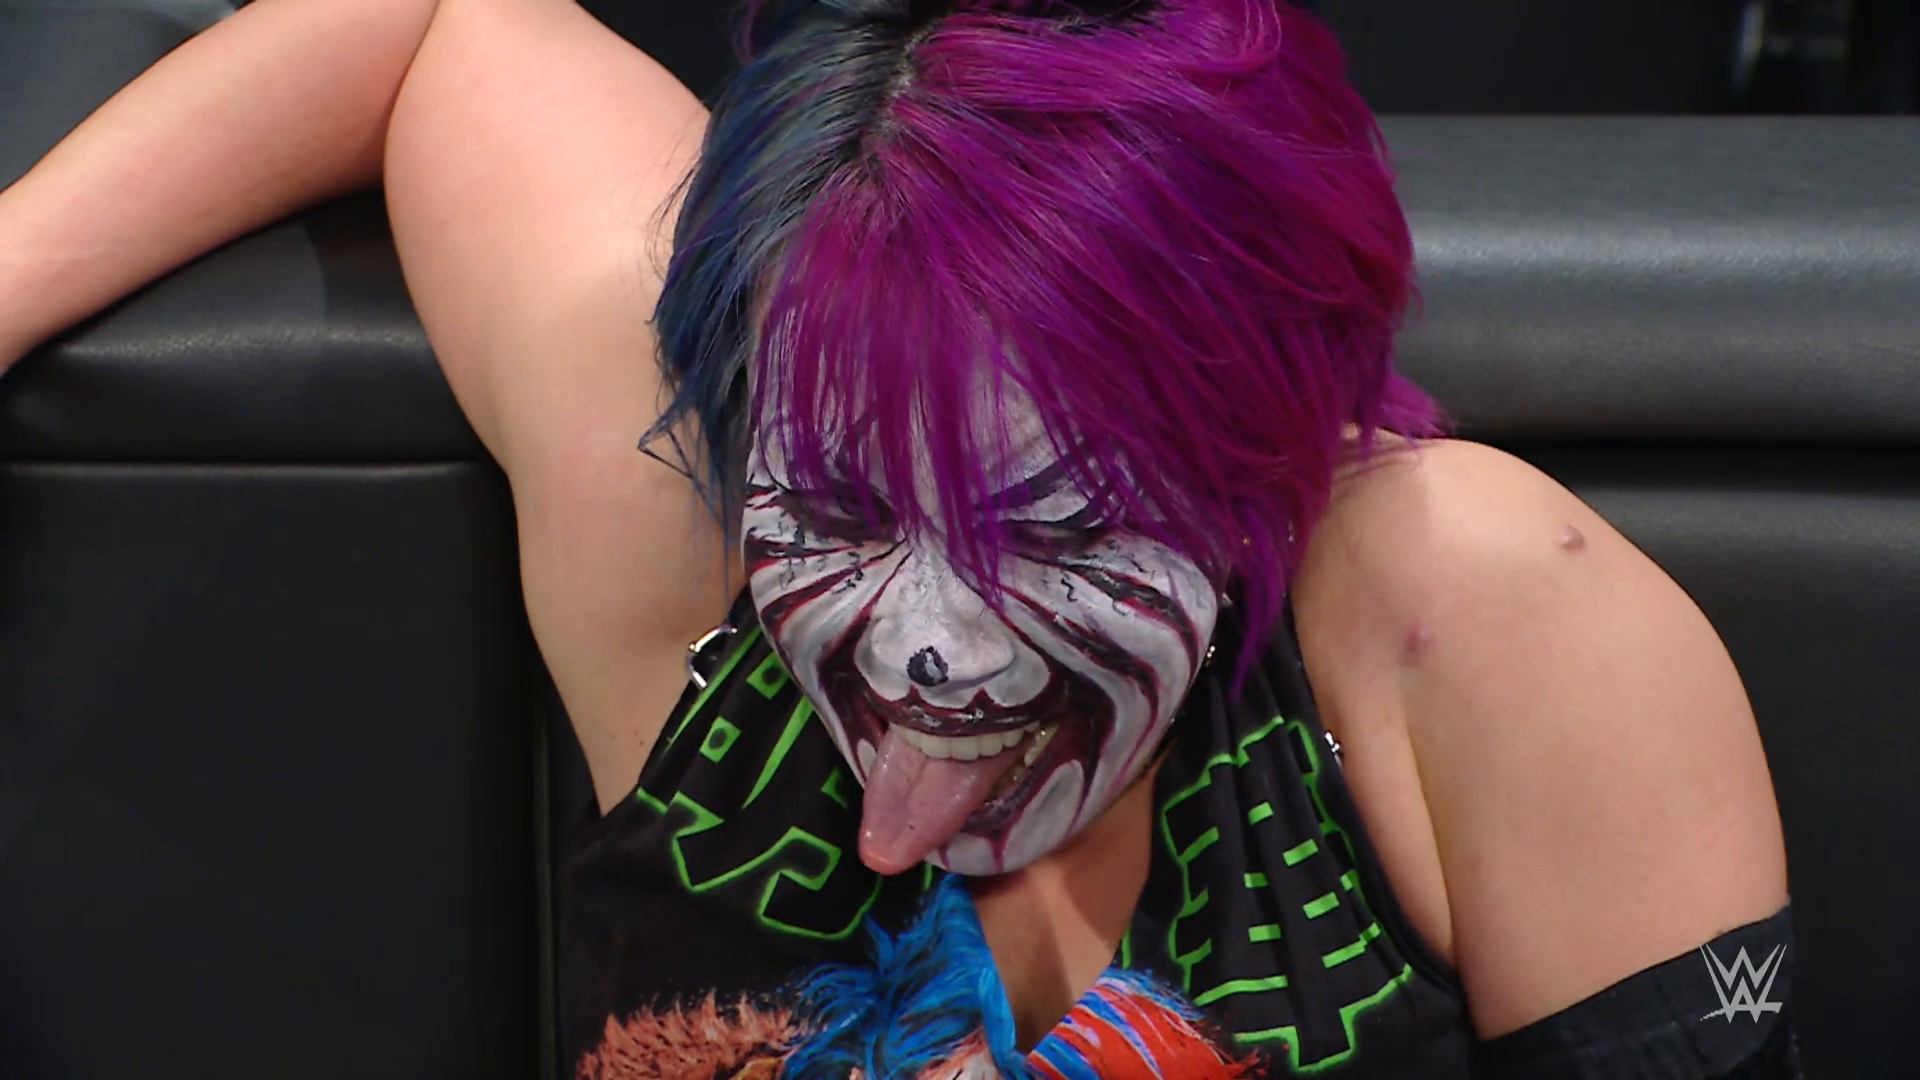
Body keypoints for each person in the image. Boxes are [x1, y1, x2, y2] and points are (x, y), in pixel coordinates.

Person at [0, 0, 1799, 1076]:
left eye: (1054, 523)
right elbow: (445, 24)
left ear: (1259, 445)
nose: (930, 639)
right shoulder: (690, 527)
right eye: (847, 509)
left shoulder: (1477, 618)